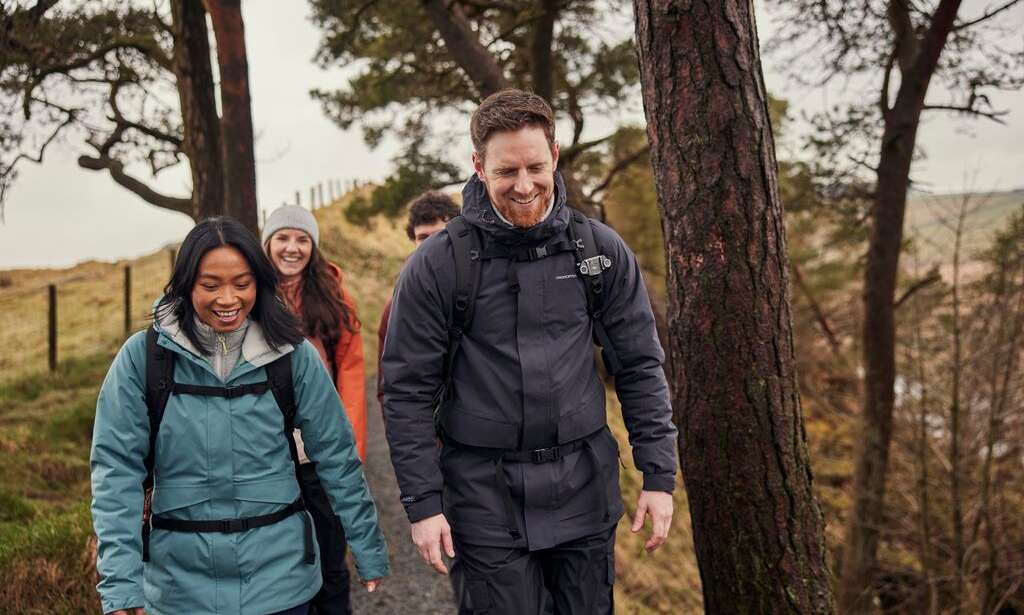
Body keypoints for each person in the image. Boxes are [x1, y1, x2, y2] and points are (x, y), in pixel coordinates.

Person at [381, 89, 677, 615]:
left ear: (555, 156)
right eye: (506, 171)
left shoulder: (600, 251)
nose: (524, 186)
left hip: (584, 492)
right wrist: (424, 504)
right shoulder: (437, 265)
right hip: (482, 499)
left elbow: (639, 367)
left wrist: (658, 475)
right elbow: (405, 393)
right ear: (478, 167)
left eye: (536, 167)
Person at [90, 217, 388, 615]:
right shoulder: (141, 359)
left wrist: (368, 547)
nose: (227, 299)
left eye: (242, 284)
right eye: (210, 285)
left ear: (260, 283)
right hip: (178, 591)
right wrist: (121, 584)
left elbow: (337, 457)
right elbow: (116, 472)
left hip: (281, 585)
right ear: (185, 284)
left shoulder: (294, 355)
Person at [262, 205, 366, 615]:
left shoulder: (335, 296)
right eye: (283, 238)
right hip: (266, 455)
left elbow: (353, 374)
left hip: (320, 453)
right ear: (267, 243)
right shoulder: (250, 295)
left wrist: (351, 446)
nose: (292, 248)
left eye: (302, 239)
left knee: (330, 558)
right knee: (280, 562)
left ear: (314, 247)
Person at [376, 191, 461, 407]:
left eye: (440, 235)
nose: (431, 247)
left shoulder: (481, 290)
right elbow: (390, 386)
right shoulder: (395, 306)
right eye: (423, 238)